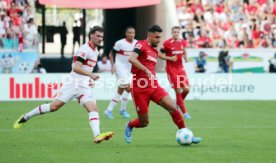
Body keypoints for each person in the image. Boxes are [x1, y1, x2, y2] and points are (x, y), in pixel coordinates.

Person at [13, 26, 114, 144]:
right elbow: (75, 67)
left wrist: (88, 78)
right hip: (72, 84)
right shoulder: (84, 49)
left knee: (93, 108)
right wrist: (91, 75)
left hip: (84, 87)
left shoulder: (95, 51)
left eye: (102, 36)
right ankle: (26, 116)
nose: (100, 38)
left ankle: (97, 135)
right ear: (91, 35)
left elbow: (85, 68)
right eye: (98, 36)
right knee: (53, 107)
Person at [124, 25, 201, 144]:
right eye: (156, 37)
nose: (159, 40)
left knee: (173, 108)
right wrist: (146, 70)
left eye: (160, 37)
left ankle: (186, 133)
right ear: (149, 36)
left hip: (154, 86)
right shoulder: (140, 44)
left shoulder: (155, 51)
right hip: (139, 88)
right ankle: (129, 125)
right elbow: (132, 59)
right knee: (144, 122)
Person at [104, 26, 137, 119]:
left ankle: (109, 110)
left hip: (128, 70)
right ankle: (121, 110)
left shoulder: (136, 43)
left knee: (121, 90)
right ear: (126, 34)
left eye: (133, 33)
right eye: (129, 32)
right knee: (129, 88)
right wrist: (113, 65)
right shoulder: (120, 43)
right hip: (119, 68)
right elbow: (111, 53)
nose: (131, 34)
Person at [159, 26, 191, 119]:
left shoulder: (182, 42)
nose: (176, 33)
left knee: (186, 90)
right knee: (178, 90)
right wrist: (170, 58)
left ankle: (178, 104)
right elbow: (160, 54)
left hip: (181, 68)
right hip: (171, 69)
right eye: (174, 32)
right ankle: (184, 113)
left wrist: (185, 57)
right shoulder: (167, 43)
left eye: (177, 32)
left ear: (179, 33)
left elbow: (184, 51)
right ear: (172, 33)